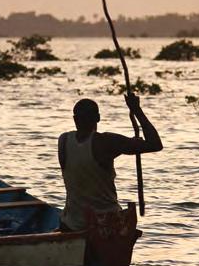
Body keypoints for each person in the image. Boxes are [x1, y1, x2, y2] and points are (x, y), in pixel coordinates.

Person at [58, 93, 163, 231]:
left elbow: (90, 158)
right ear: (98, 118)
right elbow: (155, 144)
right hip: (106, 223)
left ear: (75, 119)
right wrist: (136, 110)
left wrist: (126, 145)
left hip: (71, 224)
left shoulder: (63, 140)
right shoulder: (107, 142)